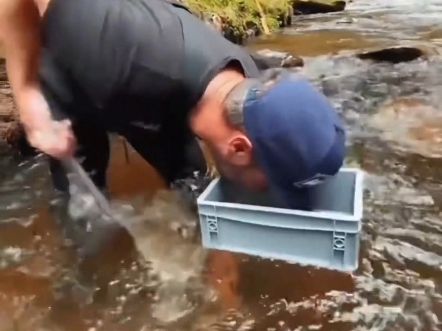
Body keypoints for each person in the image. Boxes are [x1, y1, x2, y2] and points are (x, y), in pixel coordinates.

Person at [0, 0, 346, 210]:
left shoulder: (248, 73)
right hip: (74, 69)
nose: (268, 193)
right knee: (86, 212)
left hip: (164, 90)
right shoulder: (107, 53)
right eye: (269, 184)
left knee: (192, 190)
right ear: (239, 147)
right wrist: (27, 93)